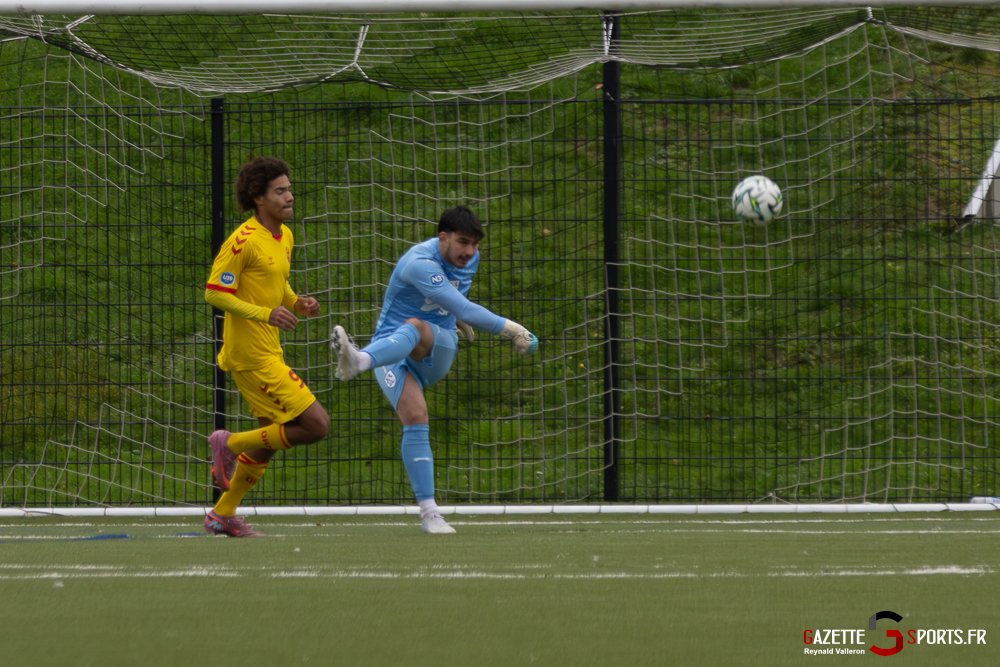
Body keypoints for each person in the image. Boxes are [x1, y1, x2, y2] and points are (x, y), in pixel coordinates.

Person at [331, 205, 537, 535]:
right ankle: (430, 514)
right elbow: (462, 305)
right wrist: (511, 328)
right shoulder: (419, 263)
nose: (469, 252)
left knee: (416, 325)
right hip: (391, 351)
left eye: (475, 244)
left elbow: (459, 303)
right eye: (463, 242)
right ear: (443, 238)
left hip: (436, 349)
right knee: (415, 417)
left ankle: (360, 359)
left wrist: (457, 321)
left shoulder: (468, 259)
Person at [203, 156, 330, 537]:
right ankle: (229, 442)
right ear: (259, 198)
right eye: (280, 190)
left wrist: (295, 303)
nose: (290, 195)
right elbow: (214, 293)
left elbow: (279, 284)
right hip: (251, 355)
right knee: (316, 425)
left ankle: (221, 515)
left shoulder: (284, 235)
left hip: (268, 350)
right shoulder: (241, 242)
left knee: (271, 438)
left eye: (289, 188)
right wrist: (265, 314)